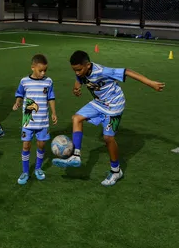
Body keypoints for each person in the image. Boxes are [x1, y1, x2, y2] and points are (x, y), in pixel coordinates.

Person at [52, 50, 165, 186]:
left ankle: (116, 171)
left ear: (88, 65)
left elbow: (127, 71)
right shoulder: (82, 72)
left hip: (114, 105)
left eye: (78, 69)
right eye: (74, 70)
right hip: (99, 102)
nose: (77, 73)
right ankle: (75, 156)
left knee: (108, 138)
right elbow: (80, 79)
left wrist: (150, 83)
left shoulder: (102, 71)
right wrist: (76, 87)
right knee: (76, 118)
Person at [13, 54, 57, 185]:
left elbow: (51, 98)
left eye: (45, 70)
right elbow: (19, 94)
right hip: (28, 121)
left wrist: (54, 113)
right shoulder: (24, 81)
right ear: (33, 67)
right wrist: (17, 102)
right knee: (26, 145)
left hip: (43, 121)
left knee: (41, 145)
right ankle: (25, 171)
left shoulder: (48, 82)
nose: (43, 73)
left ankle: (38, 168)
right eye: (40, 70)